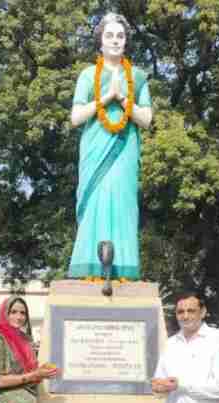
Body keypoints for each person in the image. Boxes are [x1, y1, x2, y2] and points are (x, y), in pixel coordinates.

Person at [67, 12, 152, 280]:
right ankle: (90, 267)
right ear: (100, 42)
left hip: (124, 149)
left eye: (120, 36)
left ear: (126, 41)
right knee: (96, 201)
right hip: (95, 148)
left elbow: (147, 119)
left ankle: (124, 269)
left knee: (124, 202)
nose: (115, 40)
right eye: (109, 36)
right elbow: (76, 117)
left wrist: (125, 100)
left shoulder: (137, 77)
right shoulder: (88, 74)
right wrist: (106, 98)